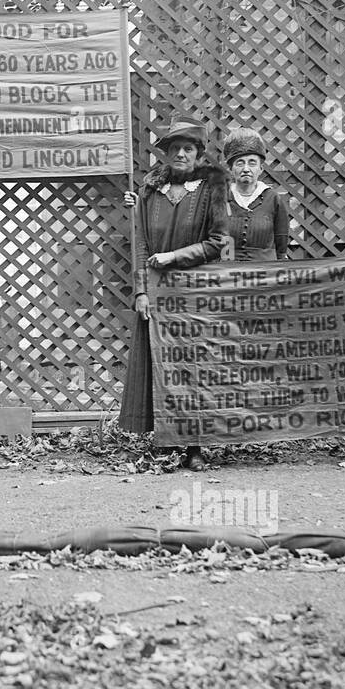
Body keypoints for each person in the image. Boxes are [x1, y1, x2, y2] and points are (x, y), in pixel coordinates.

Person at [120, 119, 229, 471]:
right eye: (175, 149)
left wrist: (174, 257)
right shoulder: (150, 193)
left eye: (189, 149)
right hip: (157, 293)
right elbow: (140, 245)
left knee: (193, 368)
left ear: (198, 154)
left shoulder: (211, 190)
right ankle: (168, 440)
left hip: (194, 292)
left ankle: (195, 447)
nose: (181, 154)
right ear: (166, 155)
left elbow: (216, 243)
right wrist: (141, 291)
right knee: (159, 366)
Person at [222, 127, 291, 261]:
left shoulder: (273, 199)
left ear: (261, 168)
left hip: (265, 275)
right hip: (228, 274)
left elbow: (281, 245)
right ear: (231, 169)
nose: (246, 169)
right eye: (240, 163)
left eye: (252, 163)